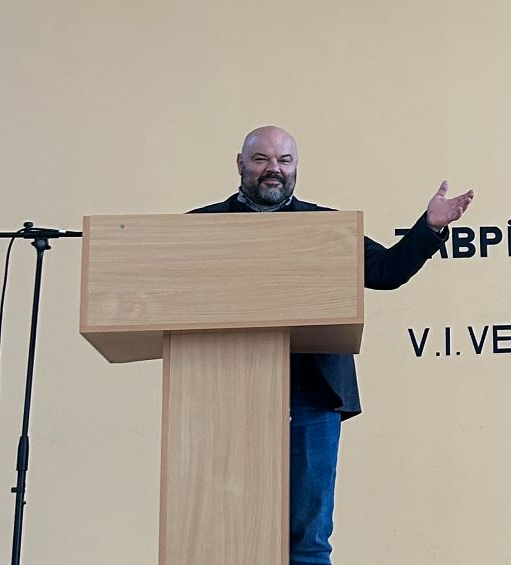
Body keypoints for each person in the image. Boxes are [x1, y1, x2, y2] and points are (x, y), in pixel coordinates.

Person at [189, 126, 474, 565]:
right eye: (262, 159)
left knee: (308, 539)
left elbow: (386, 271)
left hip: (312, 395)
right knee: (230, 532)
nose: (273, 169)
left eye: (284, 160)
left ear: (295, 168)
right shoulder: (200, 228)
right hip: (228, 391)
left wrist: (430, 227)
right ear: (241, 164)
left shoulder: (326, 228)